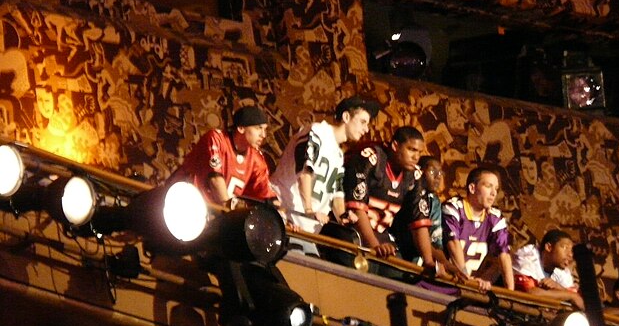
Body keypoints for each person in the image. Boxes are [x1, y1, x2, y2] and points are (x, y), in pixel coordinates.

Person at [271, 96, 379, 254]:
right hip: (286, 217)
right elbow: (305, 172)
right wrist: (309, 209)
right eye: (363, 122)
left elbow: (336, 193)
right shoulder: (317, 132)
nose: (366, 129)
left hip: (307, 230)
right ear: (346, 117)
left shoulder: (338, 155)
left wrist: (343, 215)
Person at [342, 126, 438, 278]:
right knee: (366, 269)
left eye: (419, 152)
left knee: (399, 275)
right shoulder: (371, 159)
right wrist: (375, 246)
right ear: (395, 146)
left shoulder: (415, 176)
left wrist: (428, 261)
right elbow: (356, 209)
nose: (416, 157)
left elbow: (419, 222)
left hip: (382, 236)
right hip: (352, 232)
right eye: (411, 149)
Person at [169, 105, 275, 208]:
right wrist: (228, 212)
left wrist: (282, 215)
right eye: (259, 128)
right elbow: (215, 179)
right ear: (241, 128)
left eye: (265, 129)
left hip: (213, 215)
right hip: (183, 203)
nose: (263, 135)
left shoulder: (257, 159)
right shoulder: (216, 138)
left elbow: (266, 197)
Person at [442, 166, 514, 292]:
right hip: (444, 281)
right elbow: (453, 244)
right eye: (488, 186)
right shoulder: (453, 208)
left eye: (496, 188)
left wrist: (510, 292)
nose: (494, 193)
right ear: (472, 188)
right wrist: (467, 279)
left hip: (469, 288)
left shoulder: (495, 218)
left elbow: (504, 255)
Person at [512, 229, 584, 309]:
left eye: (571, 251)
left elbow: (579, 301)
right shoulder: (528, 256)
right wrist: (571, 296)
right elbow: (530, 293)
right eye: (565, 247)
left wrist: (558, 287)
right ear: (549, 247)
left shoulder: (562, 270)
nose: (570, 254)